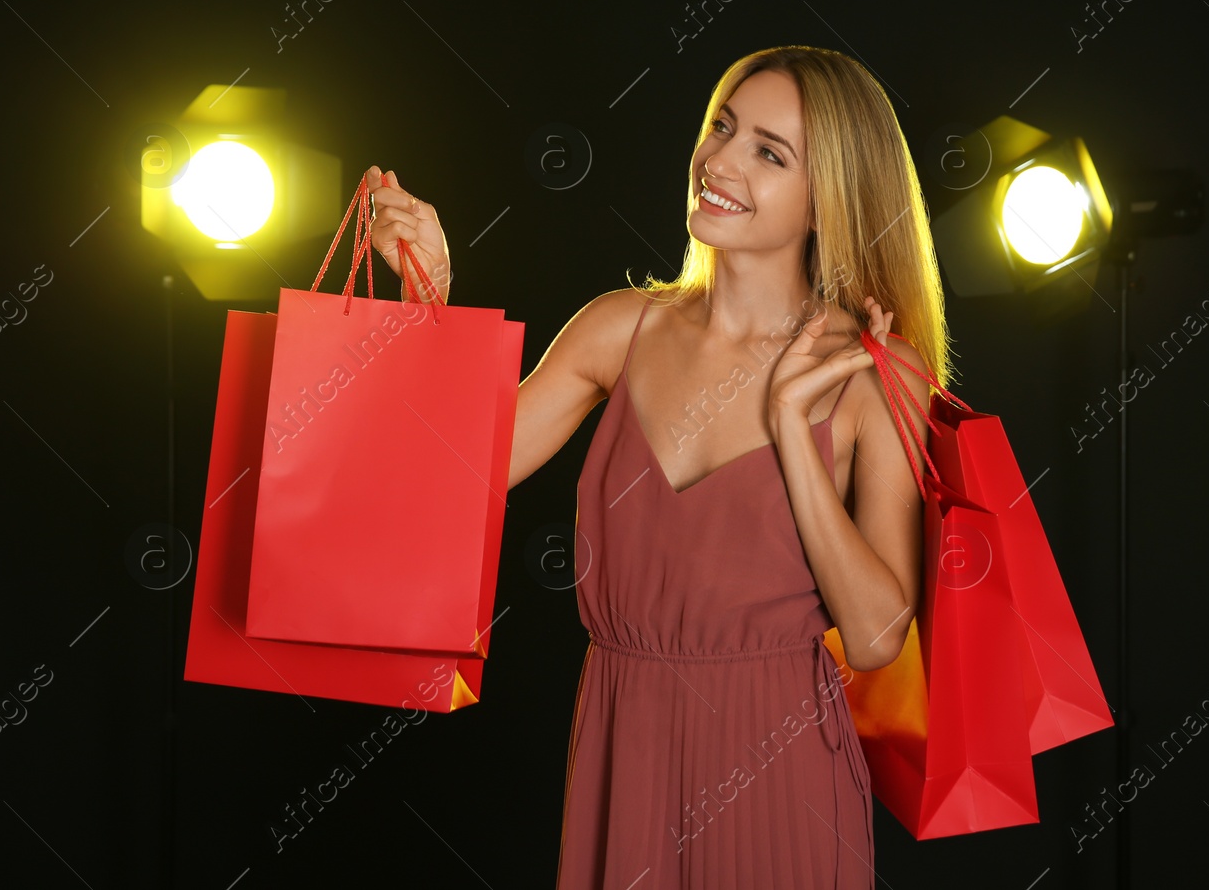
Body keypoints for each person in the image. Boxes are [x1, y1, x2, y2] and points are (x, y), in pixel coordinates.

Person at [361, 45, 953, 888]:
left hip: (779, 772)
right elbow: (448, 482)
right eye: (723, 126)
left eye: (768, 151)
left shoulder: (873, 372)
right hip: (622, 747)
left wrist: (792, 424)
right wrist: (432, 302)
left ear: (832, 202)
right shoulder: (617, 329)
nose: (718, 160)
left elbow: (874, 633)